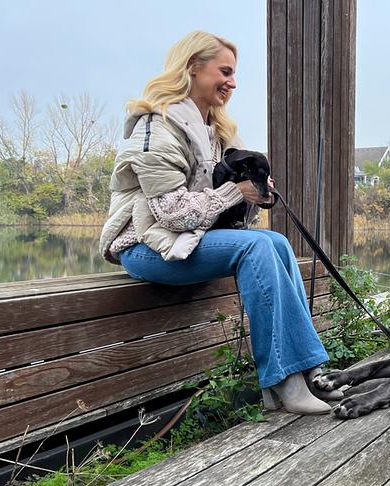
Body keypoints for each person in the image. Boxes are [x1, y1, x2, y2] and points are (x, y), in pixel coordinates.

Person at [99, 31, 339, 415]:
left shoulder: (218, 130)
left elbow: (228, 212)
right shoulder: (156, 127)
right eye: (224, 71)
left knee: (274, 242)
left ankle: (309, 372)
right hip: (146, 246)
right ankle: (282, 381)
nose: (232, 82)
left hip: (190, 240)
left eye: (234, 73)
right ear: (193, 67)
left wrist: (255, 192)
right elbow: (171, 212)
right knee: (258, 245)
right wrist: (234, 192)